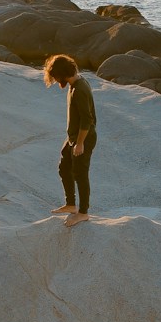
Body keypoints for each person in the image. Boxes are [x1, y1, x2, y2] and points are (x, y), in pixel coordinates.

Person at [44, 54, 96, 226]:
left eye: (55, 76)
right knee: (64, 167)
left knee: (80, 175)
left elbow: (87, 120)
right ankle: (71, 204)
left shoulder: (80, 89)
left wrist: (80, 143)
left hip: (83, 138)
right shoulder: (75, 84)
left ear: (62, 73)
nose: (55, 80)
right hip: (73, 137)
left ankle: (83, 213)